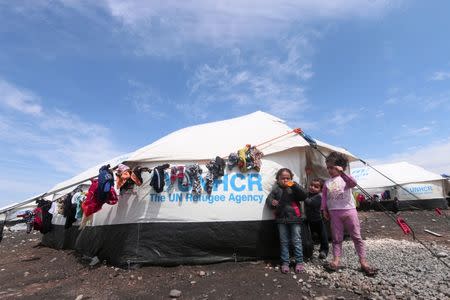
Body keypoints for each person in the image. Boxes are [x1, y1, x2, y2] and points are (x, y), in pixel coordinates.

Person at [321, 152, 377, 276]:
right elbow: (324, 196)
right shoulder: (327, 182)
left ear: (341, 167)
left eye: (332, 167)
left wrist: (343, 173)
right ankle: (336, 260)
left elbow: (353, 183)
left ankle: (363, 261)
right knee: (336, 238)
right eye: (328, 167)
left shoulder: (346, 178)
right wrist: (324, 209)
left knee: (356, 237)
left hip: (349, 211)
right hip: (334, 212)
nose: (329, 170)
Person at [266, 168, 307, 274]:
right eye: (282, 178)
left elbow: (304, 195)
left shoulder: (293, 188)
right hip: (281, 219)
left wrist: (294, 185)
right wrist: (272, 202)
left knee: (297, 241)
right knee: (284, 242)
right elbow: (269, 199)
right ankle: (285, 262)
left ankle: (299, 262)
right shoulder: (276, 189)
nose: (285, 180)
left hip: (294, 219)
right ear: (278, 179)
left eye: (288, 178)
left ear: (291, 179)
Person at [304, 178, 329, 259]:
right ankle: (310, 251)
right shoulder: (308, 194)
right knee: (309, 236)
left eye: (316, 186)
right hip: (309, 219)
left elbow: (310, 203)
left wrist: (303, 196)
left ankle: (324, 250)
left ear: (321, 189)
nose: (312, 187)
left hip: (319, 220)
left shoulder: (319, 196)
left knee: (323, 236)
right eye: (311, 185)